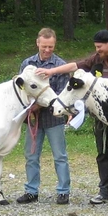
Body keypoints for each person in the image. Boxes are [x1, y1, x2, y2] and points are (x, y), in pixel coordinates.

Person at [39, 28, 108, 206]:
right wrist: (52, 71)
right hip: (102, 118)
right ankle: (106, 192)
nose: (97, 50)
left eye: (99, 46)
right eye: (96, 47)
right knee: (103, 154)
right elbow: (75, 66)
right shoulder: (97, 59)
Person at [16, 28, 71, 205]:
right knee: (31, 155)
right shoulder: (27, 64)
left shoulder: (60, 65)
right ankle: (31, 190)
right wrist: (29, 109)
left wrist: (37, 106)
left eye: (51, 47)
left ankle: (63, 191)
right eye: (44, 46)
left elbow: (61, 94)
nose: (47, 50)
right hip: (33, 119)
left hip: (54, 117)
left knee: (59, 156)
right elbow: (21, 90)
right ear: (37, 43)